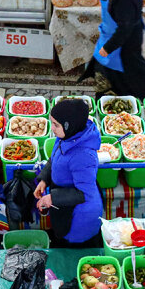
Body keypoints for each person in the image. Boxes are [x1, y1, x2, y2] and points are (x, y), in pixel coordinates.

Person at [36, 99, 103, 247]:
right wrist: (44, 179)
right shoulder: (67, 137)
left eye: (56, 125)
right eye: (52, 123)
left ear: (69, 126)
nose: (52, 128)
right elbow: (55, 158)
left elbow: (84, 193)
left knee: (74, 249)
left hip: (79, 216)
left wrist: (52, 197)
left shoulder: (83, 156)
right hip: (64, 202)